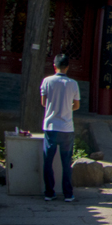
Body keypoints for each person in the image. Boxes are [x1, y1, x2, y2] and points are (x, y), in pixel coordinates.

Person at [40, 53, 81, 202]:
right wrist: (66, 107)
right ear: (68, 67)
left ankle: (49, 192)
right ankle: (68, 193)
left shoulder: (46, 81)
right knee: (66, 162)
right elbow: (76, 105)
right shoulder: (73, 83)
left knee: (48, 161)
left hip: (51, 126)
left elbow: (44, 103)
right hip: (67, 127)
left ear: (54, 66)